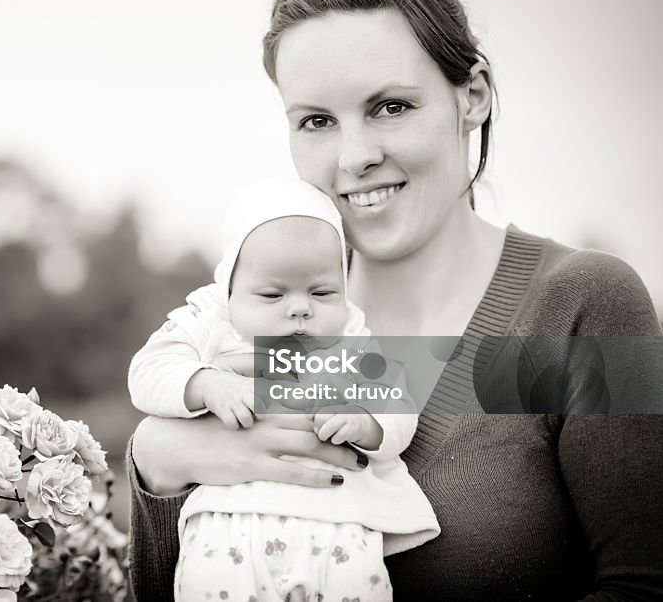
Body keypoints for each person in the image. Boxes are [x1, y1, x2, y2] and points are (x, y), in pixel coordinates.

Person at [126, 0, 663, 601]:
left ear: (472, 96)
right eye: (317, 121)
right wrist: (157, 466)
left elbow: (645, 588)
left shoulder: (581, 306)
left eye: (390, 107)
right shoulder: (243, 328)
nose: (355, 156)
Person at [128, 177, 438, 601]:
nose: (299, 308)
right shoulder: (208, 325)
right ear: (229, 290)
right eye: (272, 294)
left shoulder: (352, 340)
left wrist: (366, 422)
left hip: (339, 531)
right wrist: (207, 383)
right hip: (225, 530)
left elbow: (399, 401)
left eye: (323, 292)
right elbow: (147, 372)